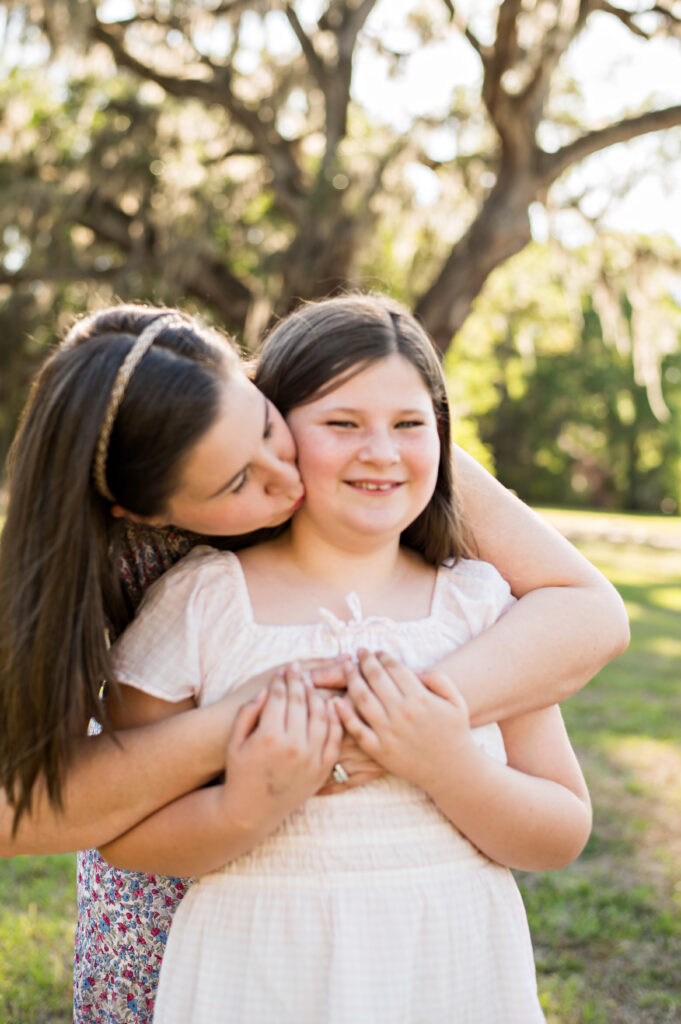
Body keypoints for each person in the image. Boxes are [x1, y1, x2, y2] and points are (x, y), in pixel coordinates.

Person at [0, 302, 627, 1023]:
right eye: (236, 483)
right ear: (146, 514)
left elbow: (587, 617)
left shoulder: (357, 423)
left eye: (267, 428)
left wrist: (401, 720)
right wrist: (243, 744)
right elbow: (45, 812)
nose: (285, 475)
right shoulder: (169, 587)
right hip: (221, 910)